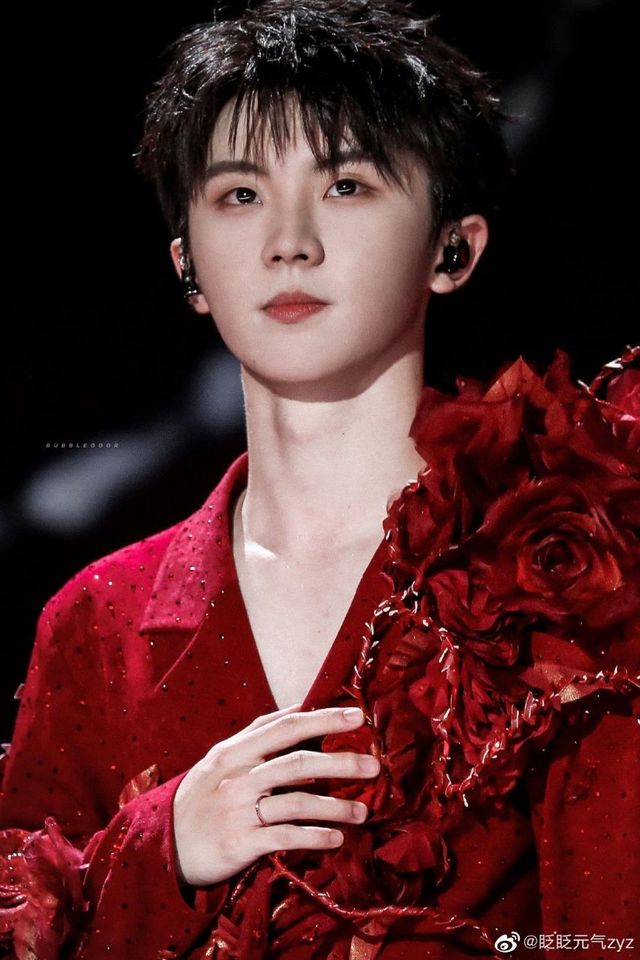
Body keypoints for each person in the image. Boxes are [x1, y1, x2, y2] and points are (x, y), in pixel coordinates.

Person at [0, 1, 638, 958]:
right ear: (187, 265)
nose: (288, 241)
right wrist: (165, 847)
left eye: (345, 185)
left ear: (453, 248)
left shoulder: (565, 575)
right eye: (240, 194)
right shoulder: (97, 624)